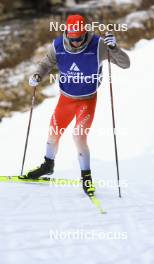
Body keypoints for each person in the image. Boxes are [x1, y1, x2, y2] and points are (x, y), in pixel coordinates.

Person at [22, 14, 130, 196]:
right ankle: (47, 166)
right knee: (52, 134)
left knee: (79, 138)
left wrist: (114, 48)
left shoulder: (98, 45)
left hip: (87, 100)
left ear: (85, 32)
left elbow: (125, 64)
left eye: (79, 39)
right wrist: (37, 75)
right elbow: (46, 63)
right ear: (67, 34)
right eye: (72, 40)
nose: (76, 43)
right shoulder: (58, 46)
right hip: (66, 99)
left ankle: (86, 179)